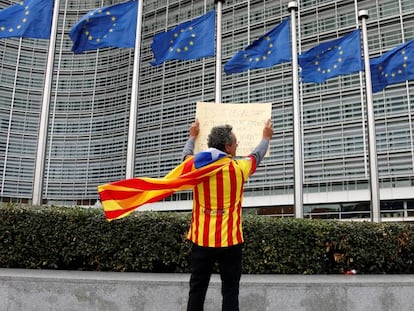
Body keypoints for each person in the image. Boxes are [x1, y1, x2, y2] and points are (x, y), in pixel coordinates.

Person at [182, 119, 273, 311]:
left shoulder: (196, 168)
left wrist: (192, 136)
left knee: (197, 290)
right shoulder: (239, 168)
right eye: (236, 143)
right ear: (227, 147)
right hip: (231, 241)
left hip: (201, 240)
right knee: (230, 291)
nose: (237, 146)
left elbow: (186, 156)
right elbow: (257, 155)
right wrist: (266, 137)